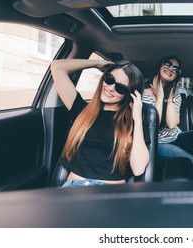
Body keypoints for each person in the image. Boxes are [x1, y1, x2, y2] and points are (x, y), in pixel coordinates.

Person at [51, 58, 149, 187]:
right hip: (73, 188)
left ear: (129, 95)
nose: (110, 88)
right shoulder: (82, 110)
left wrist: (137, 118)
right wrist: (97, 64)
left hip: (109, 192)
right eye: (109, 79)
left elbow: (139, 169)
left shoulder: (132, 122)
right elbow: (57, 67)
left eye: (120, 88)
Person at [142, 56, 193, 171]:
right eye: (167, 64)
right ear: (159, 66)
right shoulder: (142, 93)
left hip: (177, 136)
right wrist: (160, 96)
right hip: (157, 143)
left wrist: (170, 96)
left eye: (176, 69)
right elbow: (152, 125)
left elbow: (172, 124)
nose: (171, 69)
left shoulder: (175, 94)